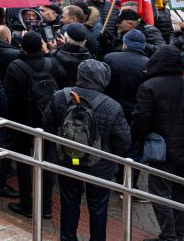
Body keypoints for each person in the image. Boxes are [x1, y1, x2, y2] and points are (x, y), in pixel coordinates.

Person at [43, 60, 130, 241]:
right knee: (98, 207)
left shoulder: (60, 96)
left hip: (67, 160)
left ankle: (68, 237)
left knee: (69, 202)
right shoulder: (112, 106)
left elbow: (47, 125)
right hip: (100, 166)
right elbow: (123, 141)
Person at [4, 31, 66, 218]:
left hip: (23, 120)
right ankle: (46, 206)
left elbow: (9, 95)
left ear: (22, 46)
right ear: (41, 46)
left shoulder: (15, 66)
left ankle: (27, 204)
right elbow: (63, 84)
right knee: (48, 161)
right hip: (48, 119)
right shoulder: (51, 63)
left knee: (24, 162)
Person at [132, 45, 184, 241]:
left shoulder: (150, 86)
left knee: (159, 192)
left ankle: (169, 235)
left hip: (161, 150)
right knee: (181, 192)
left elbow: (141, 119)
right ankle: (180, 233)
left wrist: (140, 139)